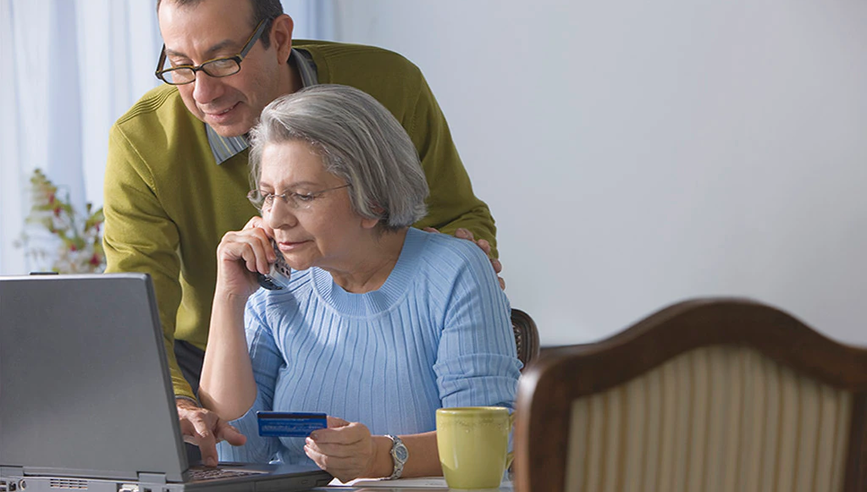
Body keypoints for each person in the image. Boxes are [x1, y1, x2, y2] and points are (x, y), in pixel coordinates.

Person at [102, 0, 503, 465]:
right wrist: (227, 305)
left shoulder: (390, 85)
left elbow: (457, 216)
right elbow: (237, 447)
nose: (203, 91)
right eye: (180, 66)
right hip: (204, 351)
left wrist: (450, 272)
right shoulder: (271, 285)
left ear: (279, 38)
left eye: (222, 61)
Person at [199, 84, 520, 482]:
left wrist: (381, 457)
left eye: (301, 195)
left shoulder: (454, 271)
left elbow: (488, 441)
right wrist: (229, 297)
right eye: (267, 195)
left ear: (374, 202)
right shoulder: (274, 288)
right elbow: (235, 447)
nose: (276, 218)